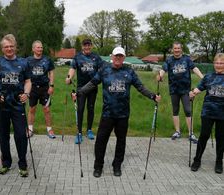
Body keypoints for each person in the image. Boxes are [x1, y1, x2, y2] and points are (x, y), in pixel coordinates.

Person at [78, 46, 161, 177]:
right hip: (107, 114)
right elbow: (92, 83)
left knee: (121, 141)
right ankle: (98, 166)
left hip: (123, 114)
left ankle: (117, 165)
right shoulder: (104, 70)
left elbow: (140, 87)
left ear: (124, 58)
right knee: (100, 141)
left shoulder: (129, 72)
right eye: (116, 56)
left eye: (120, 56)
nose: (118, 58)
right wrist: (79, 93)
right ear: (112, 57)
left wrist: (152, 96)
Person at [0, 34, 31, 177]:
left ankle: (22, 163)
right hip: (1, 105)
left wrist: (26, 93)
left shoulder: (24, 63)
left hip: (18, 105)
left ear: (15, 47)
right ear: (2, 49)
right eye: (6, 46)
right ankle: (6, 162)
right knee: (3, 135)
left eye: (11, 46)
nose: (9, 48)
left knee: (21, 135)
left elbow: (28, 81)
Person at [157, 41, 204, 143]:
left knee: (188, 110)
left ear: (181, 49)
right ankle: (177, 132)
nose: (177, 50)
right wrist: (160, 76)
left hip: (185, 90)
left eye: (178, 48)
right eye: (175, 48)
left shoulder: (186, 59)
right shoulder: (169, 60)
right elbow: (163, 69)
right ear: (172, 49)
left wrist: (203, 78)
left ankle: (191, 133)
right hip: (174, 89)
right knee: (175, 110)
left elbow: (194, 68)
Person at [190, 53, 224, 174]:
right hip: (208, 111)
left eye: (221, 63)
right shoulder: (208, 77)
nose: (219, 65)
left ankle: (219, 162)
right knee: (204, 136)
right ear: (214, 63)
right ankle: (197, 160)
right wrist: (193, 93)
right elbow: (199, 88)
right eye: (217, 63)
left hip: (222, 113)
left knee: (221, 138)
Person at [65, 38, 103, 144]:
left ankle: (89, 130)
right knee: (80, 109)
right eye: (85, 45)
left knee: (91, 108)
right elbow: (73, 68)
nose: (87, 47)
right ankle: (79, 132)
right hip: (81, 88)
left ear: (91, 46)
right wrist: (69, 77)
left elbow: (102, 68)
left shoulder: (96, 57)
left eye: (89, 45)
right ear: (82, 46)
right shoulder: (78, 57)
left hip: (93, 87)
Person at [27, 40, 55, 139]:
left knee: (46, 109)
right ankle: (30, 129)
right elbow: (25, 75)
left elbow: (51, 72)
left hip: (45, 88)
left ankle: (49, 129)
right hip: (32, 88)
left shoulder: (47, 60)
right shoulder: (28, 60)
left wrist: (51, 86)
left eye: (41, 47)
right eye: (38, 47)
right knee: (32, 109)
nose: (40, 49)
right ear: (33, 49)